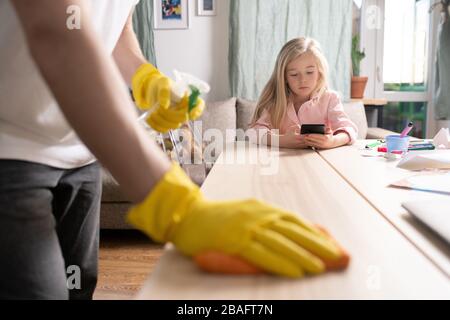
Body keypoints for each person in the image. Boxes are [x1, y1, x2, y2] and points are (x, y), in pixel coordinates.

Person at [0, 1, 346, 299]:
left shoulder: (328, 101)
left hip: (82, 151)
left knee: (79, 284)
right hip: (12, 148)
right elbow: (55, 32)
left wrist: (146, 79)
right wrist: (174, 203)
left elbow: (117, 32)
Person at [249, 37, 358, 149]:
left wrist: (332, 141)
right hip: (282, 163)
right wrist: (282, 140)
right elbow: (253, 133)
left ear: (319, 72)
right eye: (294, 74)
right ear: (284, 77)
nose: (303, 80)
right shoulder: (275, 102)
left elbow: (349, 129)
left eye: (309, 72)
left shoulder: (330, 99)